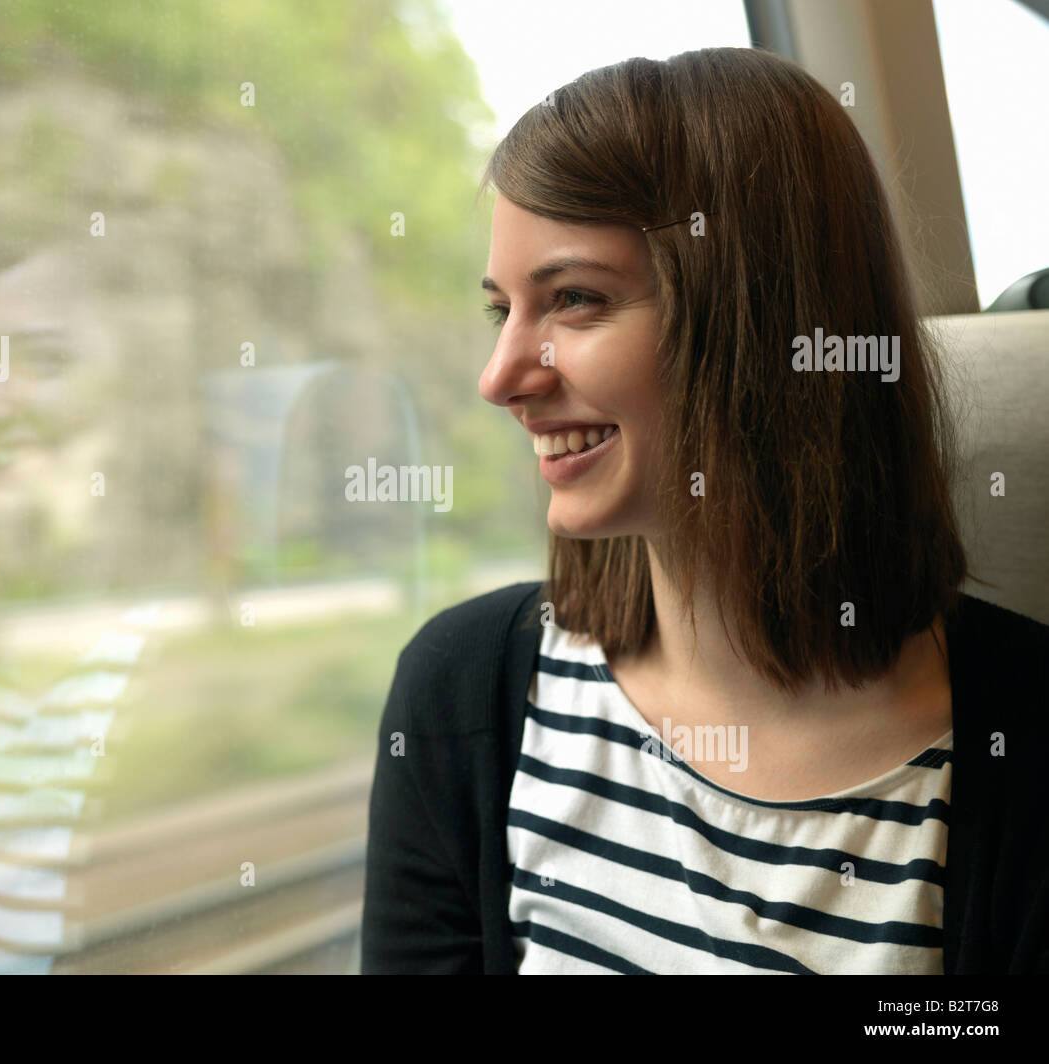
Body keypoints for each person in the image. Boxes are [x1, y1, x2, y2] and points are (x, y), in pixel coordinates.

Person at [360, 47, 1049, 974]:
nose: (501, 380)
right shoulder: (466, 694)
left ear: (756, 324)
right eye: (502, 312)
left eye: (574, 301)